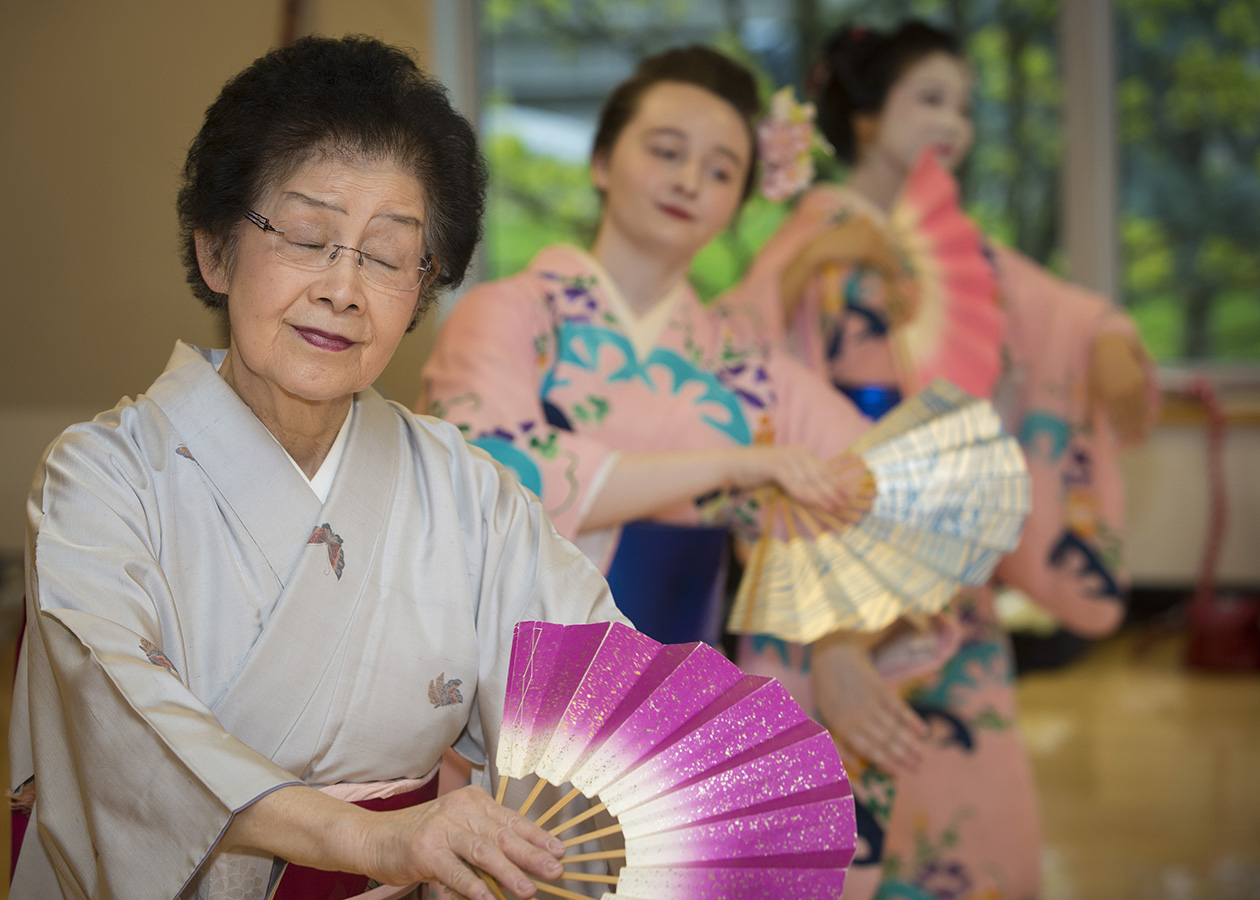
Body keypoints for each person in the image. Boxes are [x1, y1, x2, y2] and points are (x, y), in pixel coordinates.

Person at [8, 35, 628, 900]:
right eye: (306, 237)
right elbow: (123, 730)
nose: (344, 288)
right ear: (216, 252)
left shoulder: (467, 492)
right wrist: (376, 841)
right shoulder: (101, 480)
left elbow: (604, 704)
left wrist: (509, 851)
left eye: (386, 257)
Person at [727, 20, 1158, 900]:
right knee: (834, 821)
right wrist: (812, 259)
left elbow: (1064, 314)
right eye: (930, 99)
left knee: (969, 810)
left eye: (964, 106)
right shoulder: (816, 225)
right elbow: (732, 346)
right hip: (827, 563)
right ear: (872, 120)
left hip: (942, 574)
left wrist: (1111, 342)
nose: (954, 123)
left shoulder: (963, 247)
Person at [419, 46, 933, 776]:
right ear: (601, 162)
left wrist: (838, 639)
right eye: (667, 151)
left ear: (737, 204)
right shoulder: (506, 313)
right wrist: (737, 463)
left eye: (721, 169)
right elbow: (494, 474)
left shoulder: (751, 371)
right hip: (515, 706)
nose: (690, 180)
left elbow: (906, 489)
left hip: (690, 715)